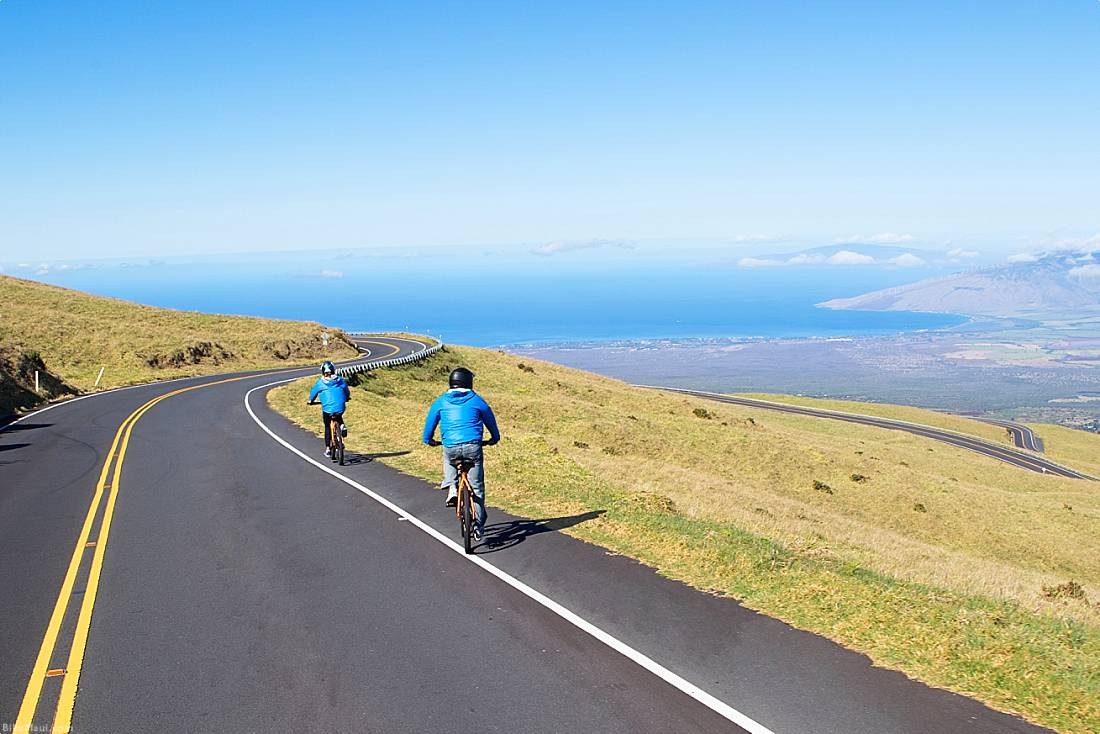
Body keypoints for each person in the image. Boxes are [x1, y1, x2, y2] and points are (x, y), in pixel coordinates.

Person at [422, 367, 500, 541]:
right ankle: (479, 526)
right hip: (473, 447)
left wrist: (429, 440)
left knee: (448, 458)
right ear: (468, 382)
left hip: (451, 447)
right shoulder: (477, 400)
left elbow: (430, 424)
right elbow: (490, 421)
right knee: (477, 487)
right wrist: (494, 438)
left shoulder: (441, 401)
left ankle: (452, 487)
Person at [308, 360, 350, 457]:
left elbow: (313, 394)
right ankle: (342, 425)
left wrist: (311, 401)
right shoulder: (340, 380)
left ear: (323, 372)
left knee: (327, 426)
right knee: (338, 414)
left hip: (327, 408)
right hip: (340, 406)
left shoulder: (320, 383)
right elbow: (346, 391)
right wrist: (347, 397)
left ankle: (327, 449)